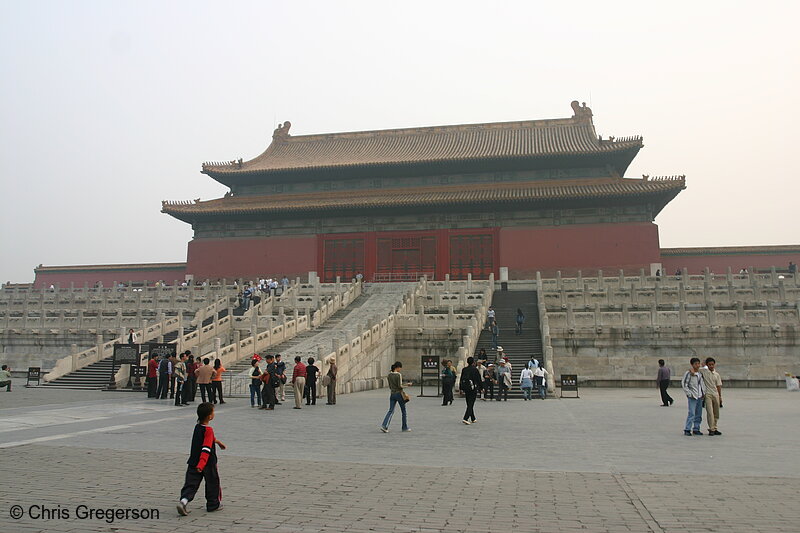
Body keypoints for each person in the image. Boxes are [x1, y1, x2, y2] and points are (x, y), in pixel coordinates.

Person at [177, 403, 226, 515]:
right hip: (207, 463)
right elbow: (206, 448)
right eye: (213, 412)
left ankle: (183, 501)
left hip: (193, 460)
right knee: (213, 483)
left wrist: (218, 442)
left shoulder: (198, 427)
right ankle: (213, 504)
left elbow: (206, 440)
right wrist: (202, 464)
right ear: (209, 416)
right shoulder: (209, 430)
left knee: (191, 483)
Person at [380, 361, 411, 433]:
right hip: (399, 394)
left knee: (390, 410)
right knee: (403, 411)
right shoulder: (398, 375)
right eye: (400, 368)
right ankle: (404, 427)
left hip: (392, 394)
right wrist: (407, 385)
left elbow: (390, 386)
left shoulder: (389, 375)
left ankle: (384, 425)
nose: (400, 369)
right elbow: (400, 386)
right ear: (398, 367)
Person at [681, 357, 705, 436]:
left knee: (699, 414)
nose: (697, 365)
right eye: (696, 364)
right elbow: (684, 384)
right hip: (693, 396)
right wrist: (689, 393)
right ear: (692, 365)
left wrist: (703, 393)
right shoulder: (688, 373)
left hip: (699, 396)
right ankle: (687, 429)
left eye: (698, 364)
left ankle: (696, 428)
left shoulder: (700, 373)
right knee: (691, 413)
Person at [699, 357, 723, 436]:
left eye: (712, 364)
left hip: (715, 394)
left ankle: (715, 427)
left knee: (716, 412)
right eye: (709, 365)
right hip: (708, 394)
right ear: (707, 365)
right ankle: (711, 428)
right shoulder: (704, 371)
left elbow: (718, 386)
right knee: (710, 412)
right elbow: (696, 368)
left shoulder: (717, 374)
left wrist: (720, 396)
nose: (711, 366)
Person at [459, 356, 482, 424]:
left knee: (469, 403)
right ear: (473, 362)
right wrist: (481, 387)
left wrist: (460, 388)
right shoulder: (475, 370)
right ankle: (465, 418)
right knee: (471, 404)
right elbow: (478, 379)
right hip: (473, 388)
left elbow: (461, 379)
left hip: (466, 388)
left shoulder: (464, 369)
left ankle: (473, 418)